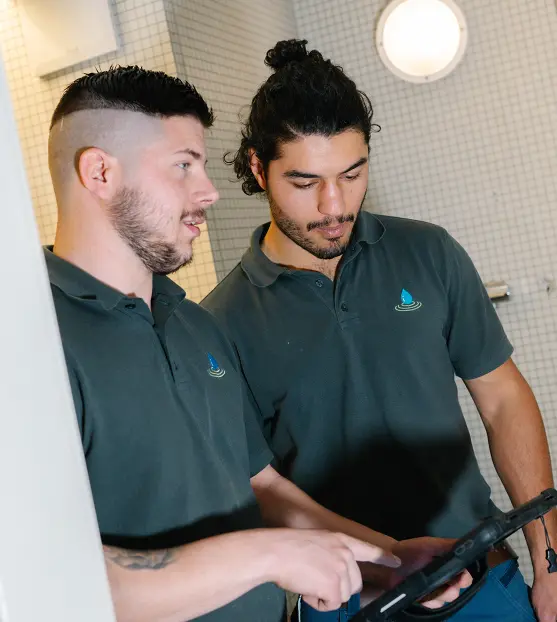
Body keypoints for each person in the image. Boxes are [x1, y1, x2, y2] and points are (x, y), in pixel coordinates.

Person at [45, 66, 468, 622]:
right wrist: (269, 554)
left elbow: (262, 487)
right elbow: (40, 574)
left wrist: (388, 560)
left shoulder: (195, 327)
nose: (209, 191)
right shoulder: (31, 344)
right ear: (99, 171)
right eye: (183, 166)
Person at [202, 40, 557, 622]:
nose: (334, 204)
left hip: (479, 578)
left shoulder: (428, 252)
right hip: (347, 602)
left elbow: (502, 400)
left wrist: (550, 560)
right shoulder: (218, 324)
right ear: (257, 168)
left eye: (352, 173)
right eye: (305, 182)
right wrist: (390, 560)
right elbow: (260, 487)